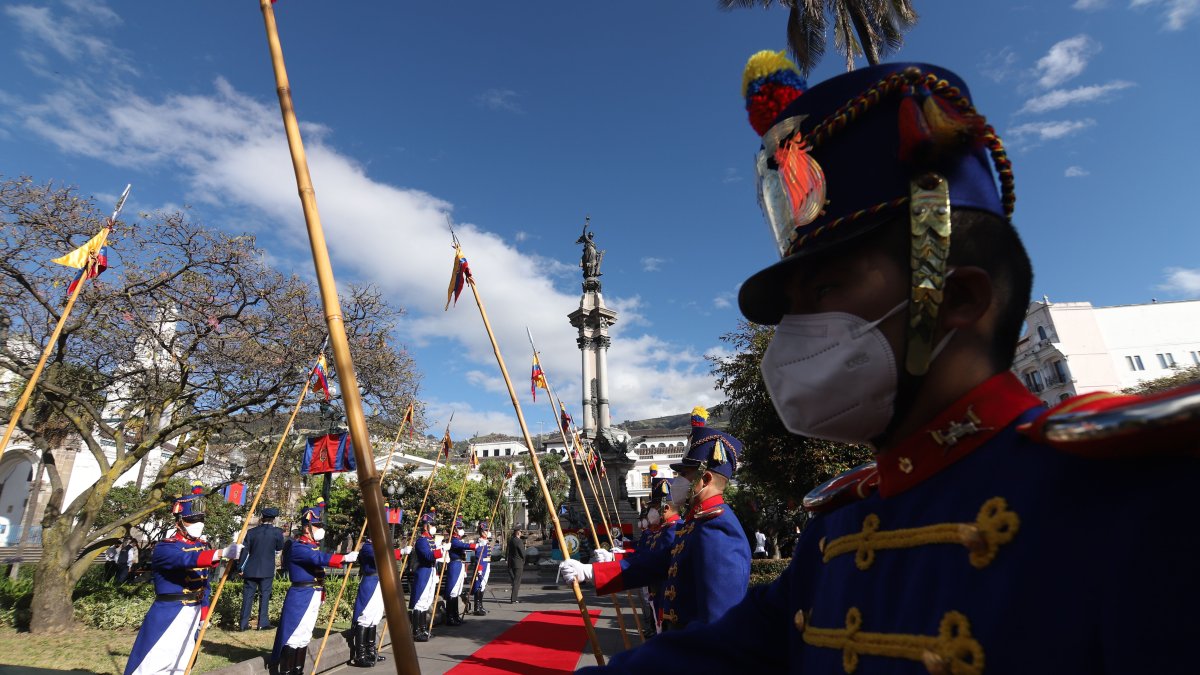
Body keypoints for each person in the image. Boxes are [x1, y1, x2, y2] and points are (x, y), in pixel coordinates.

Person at [579, 52, 1200, 673]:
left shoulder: (1140, 500)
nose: (794, 335)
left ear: (956, 298)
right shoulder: (838, 526)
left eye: (824, 291)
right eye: (791, 309)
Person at [561, 406, 752, 632]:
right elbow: (655, 564)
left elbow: (718, 624)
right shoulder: (696, 524)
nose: (678, 482)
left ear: (706, 479)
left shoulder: (718, 529)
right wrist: (591, 572)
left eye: (685, 475)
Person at [123, 481, 243, 675]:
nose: (199, 523)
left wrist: (204, 615)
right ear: (178, 521)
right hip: (170, 612)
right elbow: (187, 559)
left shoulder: (204, 545)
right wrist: (220, 553)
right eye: (192, 519)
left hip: (193, 613)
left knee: (182, 662)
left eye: (201, 518)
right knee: (154, 663)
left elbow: (204, 585)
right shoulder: (165, 547)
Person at [270, 502, 358, 675]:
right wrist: (344, 558)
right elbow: (318, 558)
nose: (320, 529)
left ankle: (298, 670)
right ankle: (286, 672)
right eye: (317, 526)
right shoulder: (298, 547)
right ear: (306, 528)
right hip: (301, 594)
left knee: (305, 634)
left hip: (313, 593)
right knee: (294, 634)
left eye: (320, 526)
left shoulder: (312, 545)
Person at [348, 534, 403, 667]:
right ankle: (360, 655)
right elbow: (380, 556)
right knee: (366, 617)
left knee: (375, 617)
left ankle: (370, 651)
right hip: (371, 582)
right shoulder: (367, 547)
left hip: (380, 582)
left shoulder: (378, 546)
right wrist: (399, 551)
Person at [239, 506, 284, 631]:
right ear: (273, 519)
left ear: (262, 518)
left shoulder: (252, 532)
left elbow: (245, 551)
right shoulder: (277, 532)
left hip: (250, 568)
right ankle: (262, 623)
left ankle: (243, 624)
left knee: (247, 597)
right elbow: (279, 547)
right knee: (264, 596)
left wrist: (240, 567)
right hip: (267, 569)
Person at [408, 511, 448, 642]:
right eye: (432, 524)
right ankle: (416, 631)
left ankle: (423, 628)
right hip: (423, 572)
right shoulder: (421, 541)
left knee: (427, 601)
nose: (433, 527)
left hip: (430, 572)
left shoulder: (430, 540)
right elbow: (428, 556)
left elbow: (434, 558)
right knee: (420, 601)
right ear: (426, 526)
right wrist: (441, 549)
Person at [441, 516, 475, 627]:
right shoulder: (453, 540)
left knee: (457, 591)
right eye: (459, 527)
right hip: (454, 564)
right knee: (453, 591)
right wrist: (474, 545)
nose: (461, 529)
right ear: (455, 529)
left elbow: (465, 550)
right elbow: (461, 546)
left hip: (459, 564)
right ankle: (450, 617)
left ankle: (455, 616)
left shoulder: (458, 539)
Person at [467, 520, 492, 616]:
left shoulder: (485, 541)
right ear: (481, 532)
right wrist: (480, 568)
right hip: (482, 565)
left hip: (487, 564)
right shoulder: (481, 542)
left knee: (483, 586)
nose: (487, 532)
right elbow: (479, 557)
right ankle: (477, 607)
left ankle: (480, 605)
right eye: (486, 530)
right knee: (479, 585)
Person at [506, 527, 526, 604]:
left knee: (514, 581)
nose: (521, 533)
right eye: (520, 532)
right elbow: (523, 553)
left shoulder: (511, 540)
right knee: (516, 582)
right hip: (518, 563)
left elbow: (507, 551)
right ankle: (514, 599)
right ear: (518, 532)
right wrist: (525, 560)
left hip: (511, 563)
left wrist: (506, 559)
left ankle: (514, 597)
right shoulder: (519, 541)